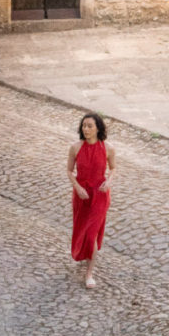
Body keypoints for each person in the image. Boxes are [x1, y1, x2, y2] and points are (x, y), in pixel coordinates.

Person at [67, 112, 114, 289]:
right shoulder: (75, 147)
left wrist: (109, 181)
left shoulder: (108, 148)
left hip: (100, 196)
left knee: (92, 234)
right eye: (84, 126)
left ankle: (89, 274)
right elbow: (69, 171)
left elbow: (114, 169)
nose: (86, 129)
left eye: (89, 126)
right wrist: (77, 188)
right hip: (81, 196)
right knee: (82, 230)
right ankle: (83, 254)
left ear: (98, 128)